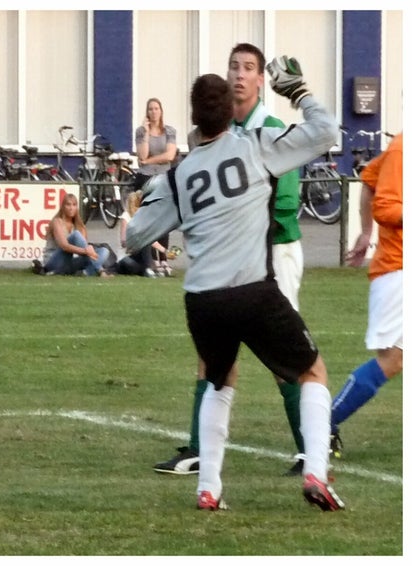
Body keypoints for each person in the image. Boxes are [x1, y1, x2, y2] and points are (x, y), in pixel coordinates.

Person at [127, 62, 343, 511]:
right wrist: (298, 92)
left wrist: (147, 198)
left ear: (192, 117)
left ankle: (209, 488)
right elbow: (325, 132)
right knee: (313, 372)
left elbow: (134, 237)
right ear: (231, 112)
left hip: (202, 300)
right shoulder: (257, 145)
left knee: (218, 380)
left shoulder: (179, 176)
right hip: (253, 290)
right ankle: (317, 473)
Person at [153, 43, 308, 477]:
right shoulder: (213, 133)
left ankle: (311, 447)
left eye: (249, 68)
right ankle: (199, 449)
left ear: (261, 80)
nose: (239, 74)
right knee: (212, 354)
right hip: (232, 256)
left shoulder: (270, 128)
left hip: (273, 251)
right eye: (233, 67)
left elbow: (287, 201)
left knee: (283, 356)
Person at [330, 132, 403, 457]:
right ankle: (324, 423)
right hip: (399, 269)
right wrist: (369, 230)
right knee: (392, 359)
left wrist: (365, 232)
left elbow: (369, 179)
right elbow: (386, 207)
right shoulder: (403, 149)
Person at [134, 98, 178, 276]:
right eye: (150, 109)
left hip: (163, 178)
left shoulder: (169, 131)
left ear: (161, 111)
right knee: (149, 218)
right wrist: (145, 133)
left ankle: (164, 258)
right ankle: (152, 259)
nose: (153, 112)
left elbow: (169, 155)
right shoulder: (140, 131)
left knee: (164, 217)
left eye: (156, 108)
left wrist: (150, 160)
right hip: (146, 178)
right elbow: (142, 155)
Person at [35, 192, 111, 277]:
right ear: (63, 206)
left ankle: (86, 273)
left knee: (104, 251)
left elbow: (85, 249)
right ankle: (99, 270)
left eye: (74, 205)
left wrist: (88, 251)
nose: (71, 208)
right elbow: (64, 246)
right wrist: (86, 251)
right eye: (68, 205)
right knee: (76, 235)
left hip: (69, 263)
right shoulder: (57, 222)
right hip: (53, 262)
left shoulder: (80, 226)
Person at [108, 190, 167, 277]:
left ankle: (148, 269)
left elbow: (150, 239)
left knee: (145, 242)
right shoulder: (126, 217)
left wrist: (164, 251)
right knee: (131, 264)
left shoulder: (143, 218)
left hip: (139, 256)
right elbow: (124, 242)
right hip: (127, 256)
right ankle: (149, 269)